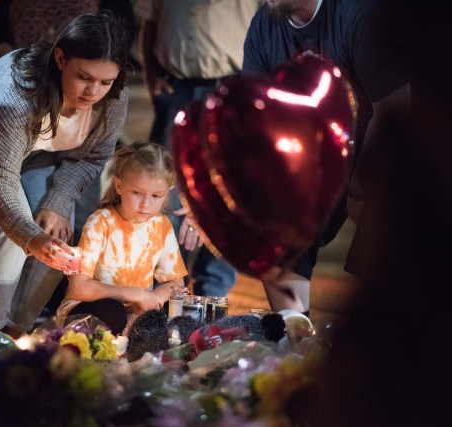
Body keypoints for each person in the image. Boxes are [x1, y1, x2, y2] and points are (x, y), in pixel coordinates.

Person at [0, 11, 129, 336]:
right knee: (11, 234)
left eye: (105, 82)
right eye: (84, 77)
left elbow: (93, 156)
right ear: (60, 58)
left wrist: (58, 199)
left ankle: (16, 332)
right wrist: (31, 238)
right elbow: (0, 181)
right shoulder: (15, 100)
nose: (94, 91)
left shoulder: (113, 96)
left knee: (58, 235)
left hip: (40, 159)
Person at [241, 0, 411, 313]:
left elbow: (395, 109)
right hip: (313, 156)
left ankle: (393, 336)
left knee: (383, 226)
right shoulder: (264, 26)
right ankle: (293, 333)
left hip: (376, 144)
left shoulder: (355, 14)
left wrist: (360, 187)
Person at [137, 0, 262, 297]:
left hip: (233, 86)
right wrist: (151, 73)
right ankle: (162, 289)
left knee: (228, 191)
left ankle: (212, 291)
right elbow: (150, 22)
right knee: (160, 188)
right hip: (175, 86)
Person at [56, 142, 188, 335]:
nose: (145, 204)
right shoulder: (100, 222)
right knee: (113, 311)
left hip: (138, 308)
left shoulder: (161, 225)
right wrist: (133, 294)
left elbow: (176, 284)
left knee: (179, 311)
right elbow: (79, 288)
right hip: (92, 309)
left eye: (156, 196)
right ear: (118, 185)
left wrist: (151, 301)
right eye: (137, 193)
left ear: (167, 193)